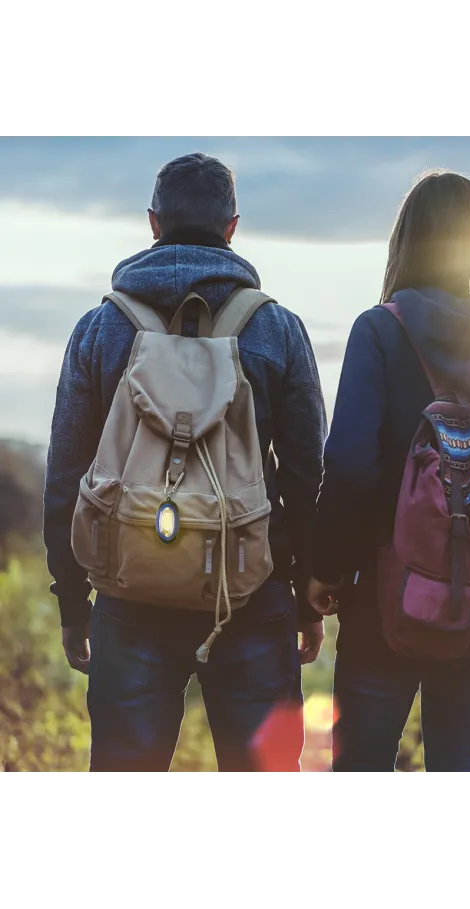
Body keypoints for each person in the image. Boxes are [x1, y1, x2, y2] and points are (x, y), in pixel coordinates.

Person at [44, 152, 327, 774]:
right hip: (252, 591)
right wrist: (307, 596)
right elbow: (309, 476)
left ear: (153, 224)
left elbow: (66, 474)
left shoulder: (99, 329)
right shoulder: (276, 328)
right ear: (232, 228)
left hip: (127, 588)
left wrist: (73, 600)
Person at [307, 170, 470, 775]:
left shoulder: (379, 331)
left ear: (407, 242)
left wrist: (325, 570)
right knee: (460, 767)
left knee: (362, 770)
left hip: (385, 602)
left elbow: (349, 466)